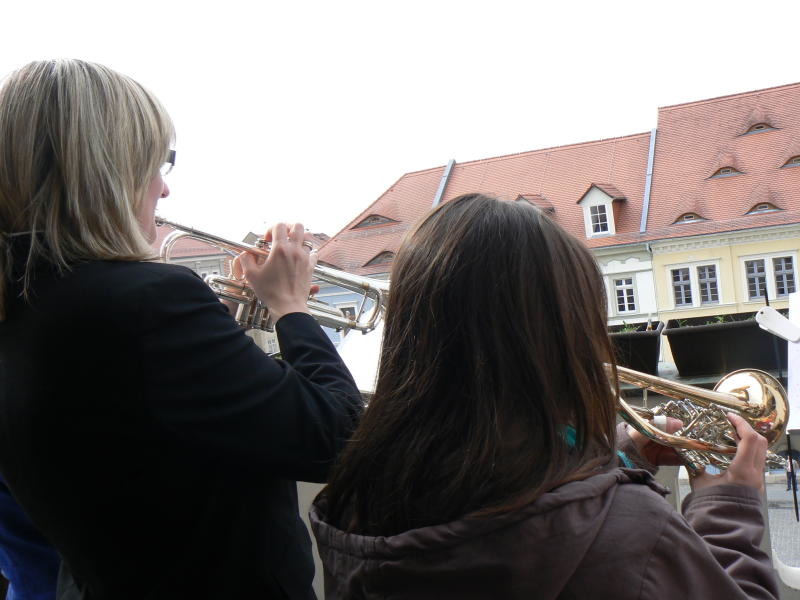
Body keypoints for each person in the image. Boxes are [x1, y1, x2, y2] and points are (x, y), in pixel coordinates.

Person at [0, 59, 363, 599]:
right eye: (155, 163)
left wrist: (232, 324)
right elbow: (335, 437)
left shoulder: (28, 303)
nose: (163, 190)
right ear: (107, 172)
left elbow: (166, 426)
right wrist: (290, 309)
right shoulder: (147, 302)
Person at [311, 194, 778, 599]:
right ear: (561, 339)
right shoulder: (631, 528)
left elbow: (506, 501)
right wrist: (729, 506)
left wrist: (622, 456)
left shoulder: (357, 494)